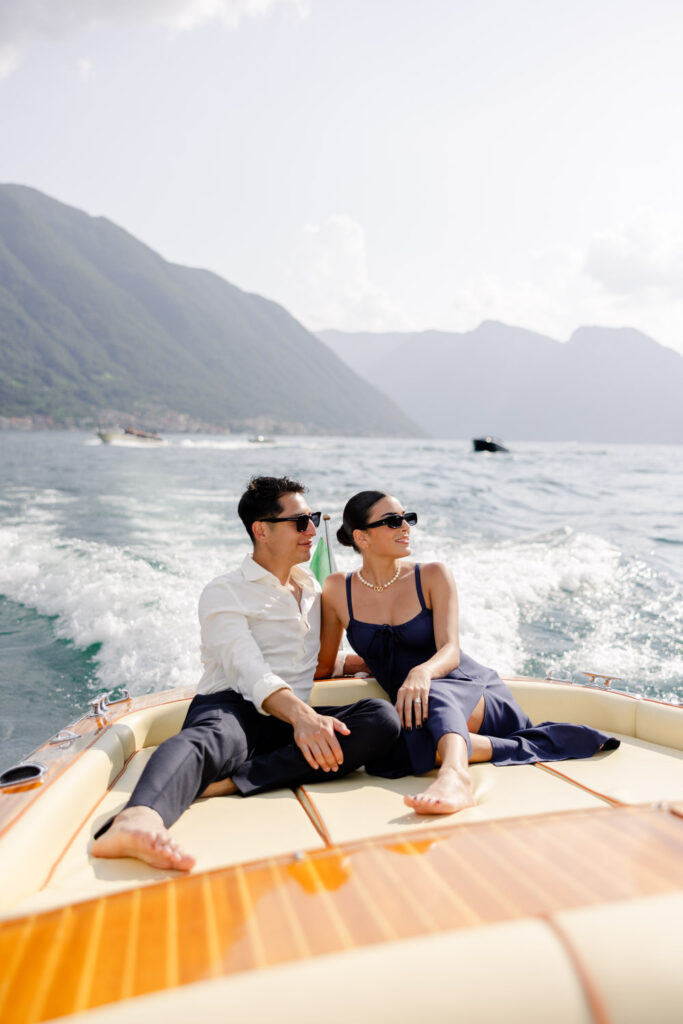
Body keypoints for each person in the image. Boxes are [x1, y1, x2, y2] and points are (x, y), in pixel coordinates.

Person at [92, 477, 400, 871]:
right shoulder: (225, 591)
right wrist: (303, 717)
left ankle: (228, 782)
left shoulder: (310, 589)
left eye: (313, 519)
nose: (311, 530)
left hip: (289, 722)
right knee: (208, 738)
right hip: (233, 709)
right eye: (300, 522)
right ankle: (137, 820)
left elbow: (307, 659)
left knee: (380, 718)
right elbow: (247, 667)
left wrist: (362, 662)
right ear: (261, 530)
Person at [316, 490, 619, 816]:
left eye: (408, 518)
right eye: (393, 521)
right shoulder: (337, 589)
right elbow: (322, 664)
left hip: (470, 690)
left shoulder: (431, 575)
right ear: (361, 537)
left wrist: (421, 672)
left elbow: (451, 651)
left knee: (434, 695)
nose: (405, 526)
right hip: (415, 708)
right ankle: (513, 746)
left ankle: (455, 777)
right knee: (386, 752)